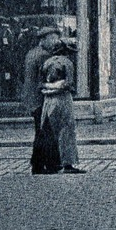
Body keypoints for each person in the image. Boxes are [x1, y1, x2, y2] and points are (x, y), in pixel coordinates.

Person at [37, 43, 83, 174]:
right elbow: (68, 83)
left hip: (47, 100)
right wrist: (58, 85)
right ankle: (68, 164)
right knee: (66, 130)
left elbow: (40, 84)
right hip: (62, 98)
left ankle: (51, 164)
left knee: (49, 131)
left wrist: (48, 86)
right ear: (67, 52)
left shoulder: (47, 63)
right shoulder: (67, 63)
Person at [23, 26, 62, 173]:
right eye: (52, 39)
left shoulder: (31, 53)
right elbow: (51, 77)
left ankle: (37, 164)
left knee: (41, 131)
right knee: (48, 131)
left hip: (32, 98)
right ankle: (51, 164)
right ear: (43, 40)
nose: (55, 42)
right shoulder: (44, 56)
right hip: (41, 99)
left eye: (56, 39)